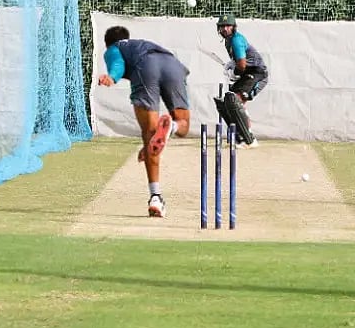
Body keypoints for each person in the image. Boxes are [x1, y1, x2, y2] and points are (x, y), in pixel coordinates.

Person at [98, 26, 192, 217]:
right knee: (183, 126)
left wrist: (112, 77)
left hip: (146, 66)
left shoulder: (114, 48)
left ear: (107, 42)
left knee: (149, 132)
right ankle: (171, 127)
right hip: (173, 64)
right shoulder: (142, 44)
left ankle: (155, 198)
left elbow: (117, 65)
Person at [215, 15, 267, 147]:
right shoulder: (228, 41)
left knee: (235, 99)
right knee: (228, 102)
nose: (225, 29)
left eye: (228, 26)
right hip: (248, 73)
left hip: (257, 72)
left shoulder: (236, 41)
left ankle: (249, 138)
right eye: (222, 26)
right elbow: (239, 61)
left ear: (233, 27)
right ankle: (240, 136)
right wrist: (232, 64)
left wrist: (234, 72)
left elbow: (242, 65)